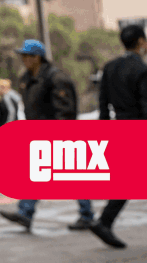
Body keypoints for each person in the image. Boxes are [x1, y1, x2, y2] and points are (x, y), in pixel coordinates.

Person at [0, 40, 95, 232]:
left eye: (27, 56)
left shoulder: (56, 78)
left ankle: (87, 216)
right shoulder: (26, 78)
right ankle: (26, 214)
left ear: (38, 58)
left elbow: (66, 110)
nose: (23, 60)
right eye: (23, 56)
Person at [85, 24, 147, 249]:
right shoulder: (141, 69)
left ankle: (104, 222)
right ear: (141, 42)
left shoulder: (110, 67)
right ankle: (104, 222)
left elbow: (102, 103)